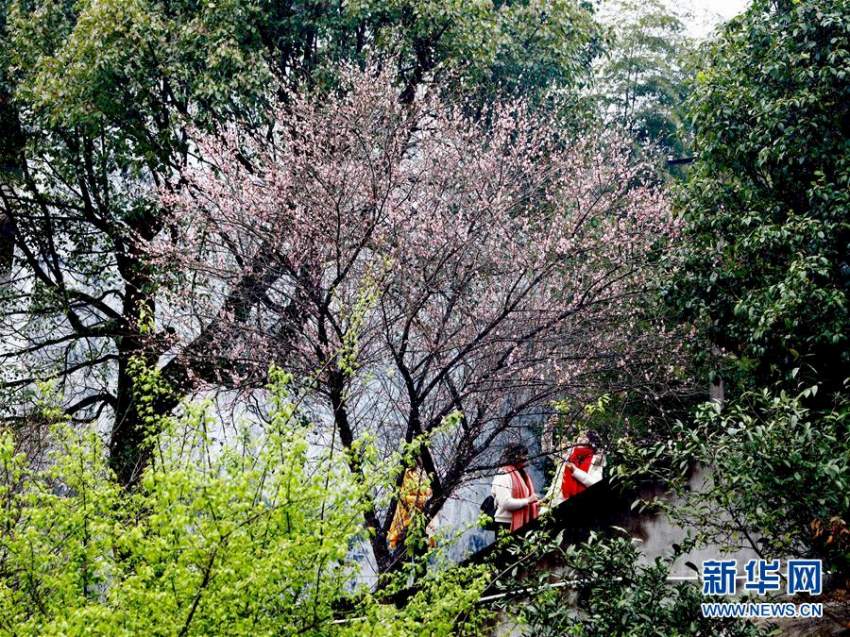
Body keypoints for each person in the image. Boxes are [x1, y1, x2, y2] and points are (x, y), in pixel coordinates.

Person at [542, 430, 605, 511]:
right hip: (553, 502)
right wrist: (549, 428)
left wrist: (575, 471)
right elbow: (547, 450)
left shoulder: (596, 461)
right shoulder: (567, 453)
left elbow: (595, 482)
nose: (580, 439)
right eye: (580, 436)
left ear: (591, 442)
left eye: (584, 437)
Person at [490, 443, 540, 535]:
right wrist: (528, 500)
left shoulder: (522, 474)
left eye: (526, 454)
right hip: (506, 525)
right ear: (514, 456)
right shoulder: (503, 474)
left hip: (522, 522)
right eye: (523, 454)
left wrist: (537, 503)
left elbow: (526, 500)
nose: (526, 457)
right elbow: (505, 503)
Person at [387, 460, 432, 551]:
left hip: (416, 521)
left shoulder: (421, 473)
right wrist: (423, 499)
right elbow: (405, 497)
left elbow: (428, 492)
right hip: (408, 520)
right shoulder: (408, 474)